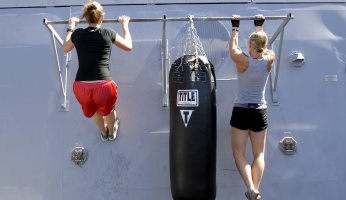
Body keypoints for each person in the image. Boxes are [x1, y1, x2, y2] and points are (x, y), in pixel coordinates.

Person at [62, 1, 132, 141]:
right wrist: (125, 26)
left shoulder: (78, 34)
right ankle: (112, 131)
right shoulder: (108, 33)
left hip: (81, 86)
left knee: (93, 110)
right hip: (104, 86)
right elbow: (128, 46)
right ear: (102, 18)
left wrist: (70, 28)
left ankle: (103, 132)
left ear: (86, 18)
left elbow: (65, 48)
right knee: (108, 111)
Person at [229, 14, 275, 200]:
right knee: (259, 154)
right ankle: (255, 191)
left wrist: (235, 26)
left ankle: (250, 187)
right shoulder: (269, 58)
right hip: (259, 111)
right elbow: (263, 46)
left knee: (239, 154)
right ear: (264, 46)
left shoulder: (243, 61)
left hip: (241, 110)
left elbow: (232, 47)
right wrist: (259, 26)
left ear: (249, 46)